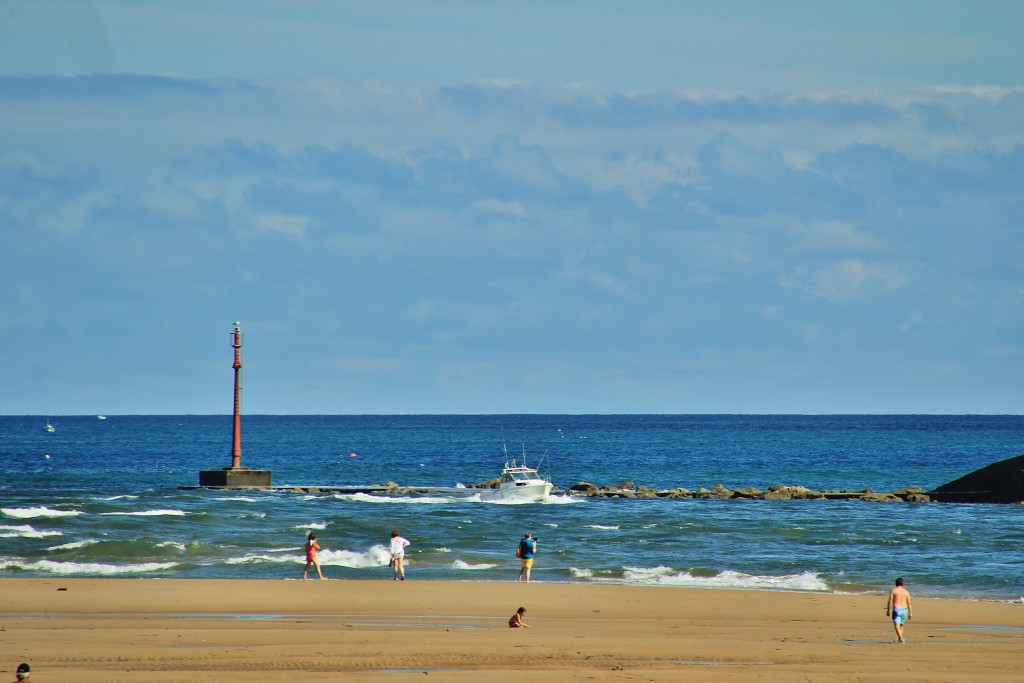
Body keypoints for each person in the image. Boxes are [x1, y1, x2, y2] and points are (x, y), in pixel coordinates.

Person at [885, 577, 913, 643]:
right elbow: (909, 603)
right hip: (905, 610)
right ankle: (900, 638)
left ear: (895, 583)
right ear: (902, 583)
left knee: (897, 625)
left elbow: (890, 601)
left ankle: (901, 638)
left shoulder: (894, 590)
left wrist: (888, 610)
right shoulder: (906, 592)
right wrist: (910, 613)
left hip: (897, 610)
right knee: (901, 625)